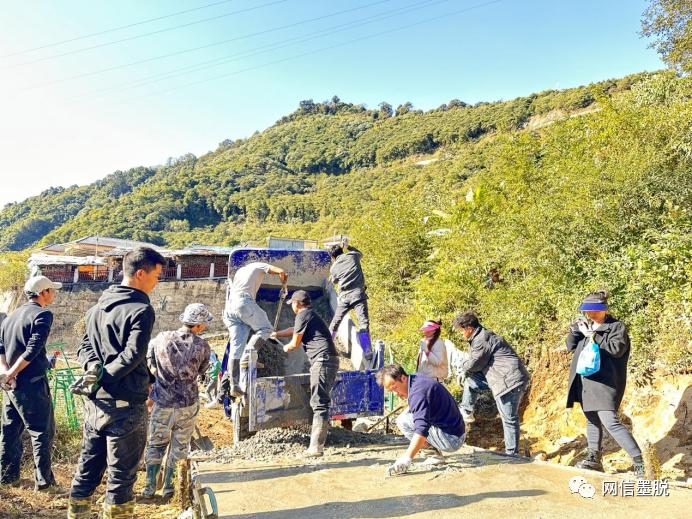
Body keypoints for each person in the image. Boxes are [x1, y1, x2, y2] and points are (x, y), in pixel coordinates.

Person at [67, 247, 166, 519]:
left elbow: (85, 346)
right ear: (141, 273)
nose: (157, 282)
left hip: (95, 404)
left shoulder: (96, 307)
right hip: (125, 406)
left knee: (87, 468)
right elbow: (133, 355)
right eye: (156, 276)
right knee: (121, 477)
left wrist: (93, 372)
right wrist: (104, 376)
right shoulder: (141, 309)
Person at [566, 290, 645, 478]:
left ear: (604, 310)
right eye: (587, 311)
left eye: (594, 311)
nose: (590, 314)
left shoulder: (616, 327)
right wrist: (574, 331)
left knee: (610, 421)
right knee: (592, 419)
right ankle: (594, 458)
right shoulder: (588, 325)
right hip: (585, 381)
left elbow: (615, 349)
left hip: (606, 382)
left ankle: (640, 462)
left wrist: (594, 334)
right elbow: (570, 346)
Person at [142, 303, 212, 499]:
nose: (204, 327)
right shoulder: (202, 346)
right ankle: (170, 489)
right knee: (180, 447)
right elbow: (202, 370)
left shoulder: (160, 338)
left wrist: (160, 377)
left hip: (162, 401)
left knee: (156, 443)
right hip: (187, 404)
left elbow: (150, 361)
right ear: (197, 325)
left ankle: (149, 488)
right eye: (203, 324)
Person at [0, 275, 63, 493]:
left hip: (10, 385)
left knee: (9, 431)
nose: (54, 294)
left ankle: (8, 478)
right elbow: (32, 350)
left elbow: (0, 348)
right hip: (32, 383)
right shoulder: (42, 314)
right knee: (41, 431)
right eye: (52, 290)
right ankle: (44, 482)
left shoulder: (11, 316)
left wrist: (6, 373)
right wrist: (12, 373)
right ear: (43, 292)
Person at [208, 261, 287, 406]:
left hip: (230, 308)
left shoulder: (240, 272)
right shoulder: (259, 265)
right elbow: (281, 271)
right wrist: (284, 285)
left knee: (236, 349)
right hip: (243, 302)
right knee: (266, 329)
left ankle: (235, 385)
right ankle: (250, 353)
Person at [272, 290, 339, 457]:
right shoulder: (310, 315)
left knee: (319, 402)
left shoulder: (302, 315)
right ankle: (317, 444)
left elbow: (295, 342)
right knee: (320, 401)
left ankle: (316, 448)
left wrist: (286, 347)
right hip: (327, 360)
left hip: (322, 361)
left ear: (297, 304)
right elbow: (294, 330)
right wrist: (277, 334)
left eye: (292, 304)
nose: (292, 307)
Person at [454, 310, 530, 456]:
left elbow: (474, 364)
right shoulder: (481, 336)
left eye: (460, 330)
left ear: (468, 328)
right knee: (471, 381)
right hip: (500, 377)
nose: (460, 334)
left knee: (509, 418)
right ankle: (467, 410)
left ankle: (512, 454)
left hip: (509, 380)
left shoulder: (482, 340)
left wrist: (461, 367)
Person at [377, 364, 465, 474]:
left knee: (403, 421)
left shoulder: (418, 394)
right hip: (455, 430)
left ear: (403, 378)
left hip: (452, 439)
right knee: (406, 416)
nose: (395, 394)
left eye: (394, 387)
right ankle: (434, 454)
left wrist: (407, 458)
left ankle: (434, 456)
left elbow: (421, 430)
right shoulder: (416, 379)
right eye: (391, 391)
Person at [328, 240, 372, 359]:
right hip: (358, 295)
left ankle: (327, 348)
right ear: (342, 251)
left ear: (333, 257)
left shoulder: (333, 268)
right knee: (363, 323)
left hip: (345, 298)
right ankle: (367, 351)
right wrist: (349, 247)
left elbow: (335, 281)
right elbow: (360, 253)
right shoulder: (353, 255)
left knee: (335, 322)